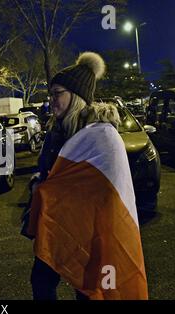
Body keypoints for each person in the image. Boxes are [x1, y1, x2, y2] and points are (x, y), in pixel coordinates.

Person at [26, 52, 148, 300]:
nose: (52, 100)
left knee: (88, 286)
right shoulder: (55, 131)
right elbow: (50, 172)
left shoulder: (101, 136)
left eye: (57, 93)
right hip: (58, 223)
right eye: (51, 94)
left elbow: (111, 187)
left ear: (76, 95)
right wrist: (40, 184)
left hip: (90, 227)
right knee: (40, 281)